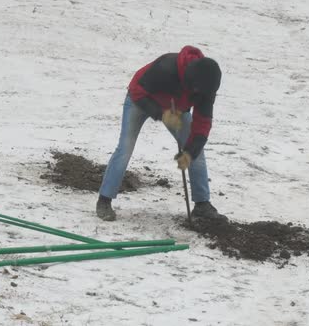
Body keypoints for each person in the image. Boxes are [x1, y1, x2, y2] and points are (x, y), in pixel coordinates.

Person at [96, 45, 227, 223]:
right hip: (139, 101)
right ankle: (104, 199)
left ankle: (202, 204)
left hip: (176, 109)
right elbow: (137, 90)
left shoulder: (206, 87)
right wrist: (161, 114)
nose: (199, 95)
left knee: (197, 154)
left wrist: (189, 152)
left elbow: (202, 125)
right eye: (196, 92)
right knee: (125, 148)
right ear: (190, 82)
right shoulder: (166, 67)